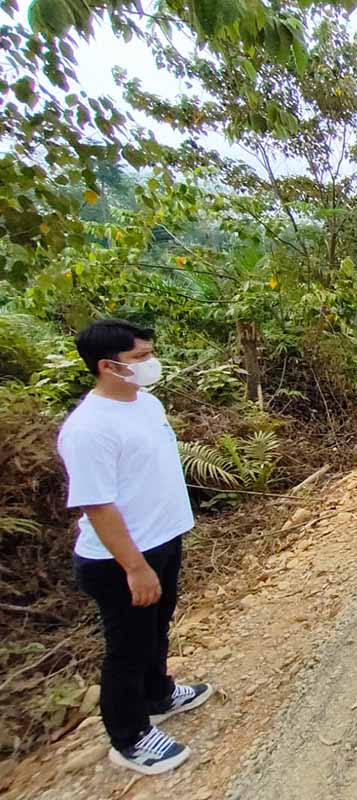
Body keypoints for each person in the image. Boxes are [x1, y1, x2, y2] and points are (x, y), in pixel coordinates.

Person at [58, 320, 212, 776]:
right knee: (126, 647)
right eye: (140, 358)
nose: (151, 363)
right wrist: (134, 566)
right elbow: (98, 506)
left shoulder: (146, 403)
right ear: (108, 366)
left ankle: (159, 694)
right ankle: (130, 736)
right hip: (121, 559)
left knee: (157, 628)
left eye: (149, 354)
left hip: (163, 539)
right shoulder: (88, 429)